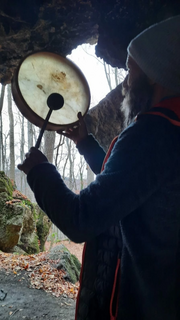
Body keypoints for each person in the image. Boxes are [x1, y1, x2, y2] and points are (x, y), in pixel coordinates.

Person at [18, 15, 180, 320]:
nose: (125, 84)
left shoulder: (150, 133)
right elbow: (131, 190)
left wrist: (40, 171)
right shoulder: (172, 131)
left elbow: (83, 219)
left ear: (155, 75)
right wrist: (86, 144)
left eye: (131, 71)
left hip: (136, 304)